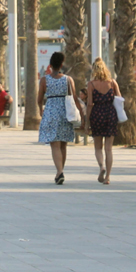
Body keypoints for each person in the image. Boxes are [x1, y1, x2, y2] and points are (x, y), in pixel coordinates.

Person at [36, 52, 78, 184]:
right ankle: (60, 171)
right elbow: (74, 98)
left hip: (51, 110)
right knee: (63, 144)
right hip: (65, 111)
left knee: (55, 145)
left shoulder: (44, 80)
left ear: (50, 65)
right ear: (61, 64)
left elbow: (39, 99)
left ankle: (60, 172)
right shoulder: (68, 79)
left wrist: (41, 110)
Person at [81, 58, 120, 184]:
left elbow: (90, 104)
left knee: (98, 147)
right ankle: (108, 177)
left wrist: (87, 122)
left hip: (97, 114)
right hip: (110, 114)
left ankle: (101, 166)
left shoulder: (91, 84)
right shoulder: (112, 83)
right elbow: (119, 99)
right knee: (108, 149)